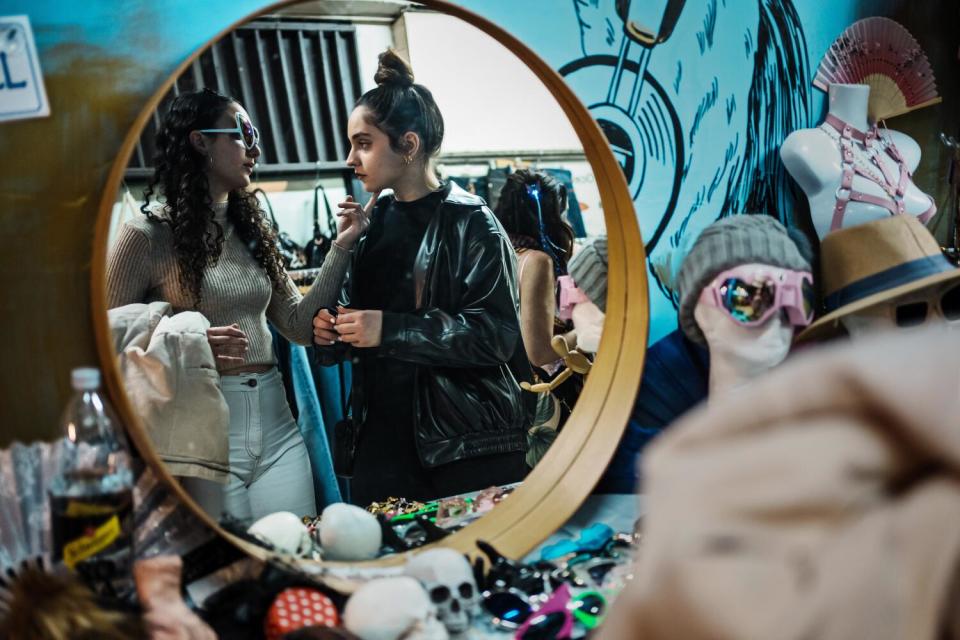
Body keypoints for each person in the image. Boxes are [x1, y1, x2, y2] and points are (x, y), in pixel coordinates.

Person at [106, 88, 365, 525]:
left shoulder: (251, 228)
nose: (256, 148)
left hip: (278, 424)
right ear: (200, 141)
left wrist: (341, 246)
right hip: (200, 431)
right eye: (244, 133)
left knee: (298, 553)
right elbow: (106, 341)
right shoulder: (146, 236)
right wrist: (185, 339)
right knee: (236, 574)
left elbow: (299, 326)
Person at [312, 49, 533, 506]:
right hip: (380, 442)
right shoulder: (372, 223)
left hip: (460, 445)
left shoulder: (471, 221)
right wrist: (332, 331)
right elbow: (360, 318)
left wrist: (387, 329)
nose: (351, 158)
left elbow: (495, 335)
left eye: (363, 143)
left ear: (408, 145)